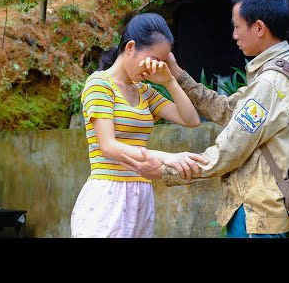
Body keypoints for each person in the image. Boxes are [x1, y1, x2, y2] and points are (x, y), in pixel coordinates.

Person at [119, 0, 289, 238]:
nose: (234, 35)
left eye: (237, 27)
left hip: (256, 216)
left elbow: (230, 149)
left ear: (259, 28)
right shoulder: (284, 70)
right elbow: (227, 110)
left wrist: (165, 170)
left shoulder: (271, 83)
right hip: (262, 212)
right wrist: (177, 74)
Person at [70, 12, 206, 238]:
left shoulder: (145, 92)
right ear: (131, 47)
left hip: (141, 194)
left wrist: (170, 80)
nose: (154, 68)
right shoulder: (99, 84)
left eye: (161, 62)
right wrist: (166, 157)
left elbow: (191, 120)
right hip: (108, 194)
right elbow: (109, 146)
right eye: (153, 59)